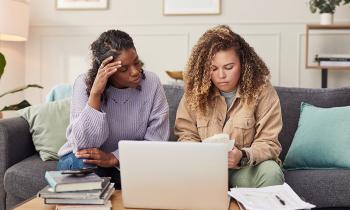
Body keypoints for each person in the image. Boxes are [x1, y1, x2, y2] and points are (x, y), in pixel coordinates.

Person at [57, 29, 170, 189]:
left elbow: (157, 141)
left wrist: (115, 158)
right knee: (80, 164)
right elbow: (84, 145)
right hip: (87, 163)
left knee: (157, 172)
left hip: (131, 163)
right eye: (124, 69)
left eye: (137, 62)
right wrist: (95, 94)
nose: (135, 71)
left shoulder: (151, 82)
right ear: (107, 71)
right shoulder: (84, 84)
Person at [175, 25, 284, 188]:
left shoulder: (262, 91)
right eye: (213, 68)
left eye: (228, 67)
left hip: (245, 169)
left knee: (271, 172)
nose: (221, 75)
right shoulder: (195, 92)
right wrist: (199, 155)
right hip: (204, 171)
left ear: (243, 64)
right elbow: (186, 134)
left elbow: (269, 142)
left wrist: (242, 156)